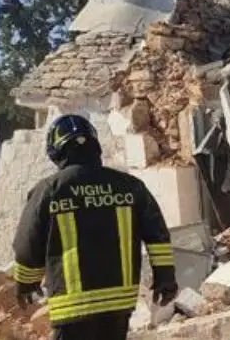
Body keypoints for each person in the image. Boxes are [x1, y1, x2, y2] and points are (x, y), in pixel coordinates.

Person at [12, 114, 178, 340]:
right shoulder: (130, 187)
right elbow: (158, 236)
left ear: (55, 151)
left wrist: (26, 282)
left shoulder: (49, 190)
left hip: (73, 305)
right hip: (120, 303)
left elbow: (27, 244)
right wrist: (165, 278)